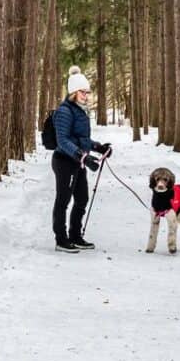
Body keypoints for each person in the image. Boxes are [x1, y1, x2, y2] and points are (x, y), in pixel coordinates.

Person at [51, 66, 112, 253]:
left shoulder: (79, 110)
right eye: (82, 92)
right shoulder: (64, 111)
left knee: (82, 199)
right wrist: (82, 156)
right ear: (73, 92)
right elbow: (62, 140)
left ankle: (76, 236)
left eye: (87, 92)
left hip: (78, 161)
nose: (86, 95)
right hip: (64, 161)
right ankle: (61, 240)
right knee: (63, 200)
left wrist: (98, 147)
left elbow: (81, 139)